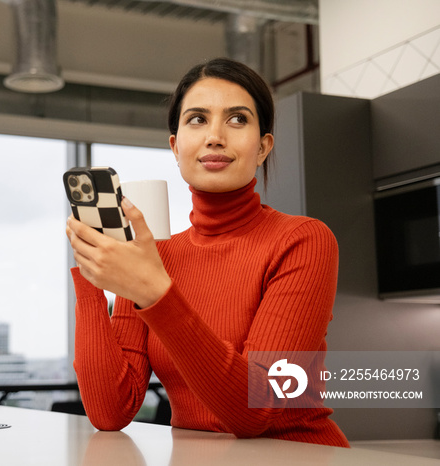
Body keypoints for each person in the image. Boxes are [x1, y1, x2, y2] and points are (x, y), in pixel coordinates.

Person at [65, 57, 349, 448]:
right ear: (175, 145)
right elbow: (110, 411)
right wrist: (93, 277)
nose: (215, 136)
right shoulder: (153, 258)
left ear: (263, 146)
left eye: (237, 120)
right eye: (197, 119)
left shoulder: (303, 240)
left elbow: (256, 409)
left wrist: (156, 293)